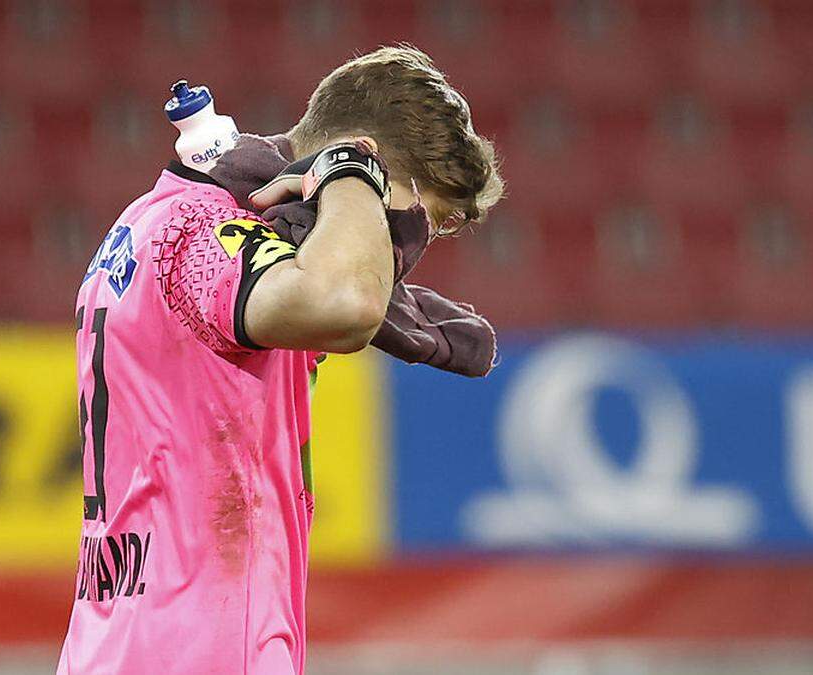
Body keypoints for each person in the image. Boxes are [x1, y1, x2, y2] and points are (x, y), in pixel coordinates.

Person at [57, 46, 503, 674]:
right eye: (413, 216)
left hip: (126, 641)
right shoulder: (203, 231)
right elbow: (345, 304)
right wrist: (350, 175)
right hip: (200, 647)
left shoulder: (156, 222)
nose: (402, 245)